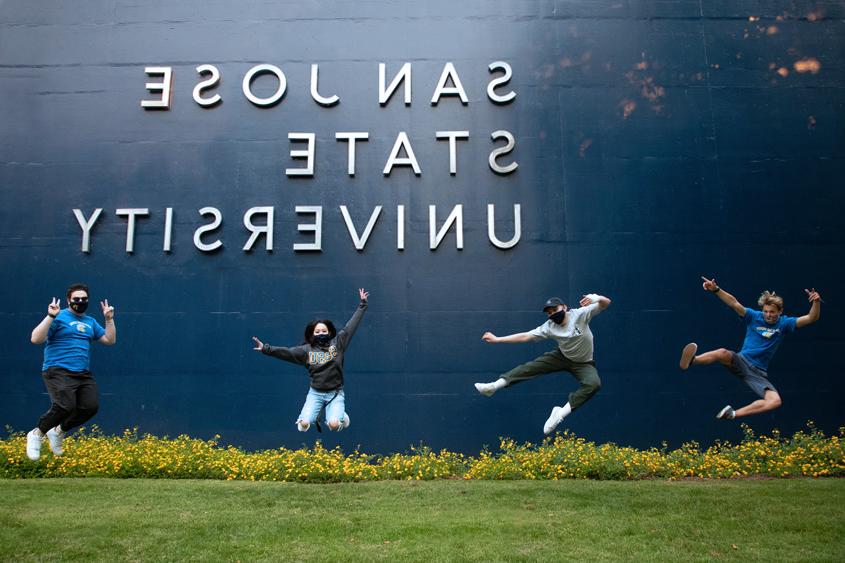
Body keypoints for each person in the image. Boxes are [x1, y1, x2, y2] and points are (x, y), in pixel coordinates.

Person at [679, 277, 821, 419]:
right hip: (741, 360)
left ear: (780, 311)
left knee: (775, 401)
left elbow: (811, 318)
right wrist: (716, 289)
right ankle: (693, 360)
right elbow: (734, 303)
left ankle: (732, 414)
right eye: (766, 311)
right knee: (722, 352)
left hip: (757, 373)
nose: (768, 315)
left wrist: (816, 302)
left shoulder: (785, 324)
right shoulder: (753, 316)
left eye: (772, 312)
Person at [475, 292, 611, 435]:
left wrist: (598, 298)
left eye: (555, 310)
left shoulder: (579, 314)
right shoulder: (550, 326)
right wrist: (498, 339)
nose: (552, 314)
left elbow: (606, 303)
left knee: (594, 384)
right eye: (549, 313)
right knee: (531, 368)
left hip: (584, 363)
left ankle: (559, 414)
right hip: (561, 356)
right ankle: (493, 387)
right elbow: (526, 336)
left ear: (564, 307)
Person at [252, 288, 369, 433]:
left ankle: (341, 417)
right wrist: (266, 348)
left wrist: (362, 304)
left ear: (329, 332)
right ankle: (325, 417)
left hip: (335, 393)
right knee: (303, 425)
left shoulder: (338, 344)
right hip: (316, 393)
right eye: (318, 331)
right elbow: (286, 352)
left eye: (324, 331)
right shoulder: (306, 350)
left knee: (333, 425)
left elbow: (350, 326)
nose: (321, 333)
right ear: (312, 334)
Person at [26, 283, 116, 460]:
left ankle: (58, 431)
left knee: (90, 407)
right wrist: (50, 316)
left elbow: (109, 340)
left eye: (84, 299)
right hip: (57, 370)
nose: (80, 302)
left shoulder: (90, 322)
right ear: (68, 301)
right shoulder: (59, 318)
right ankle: (37, 433)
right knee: (65, 406)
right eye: (76, 299)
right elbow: (36, 338)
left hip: (82, 373)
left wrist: (109, 319)